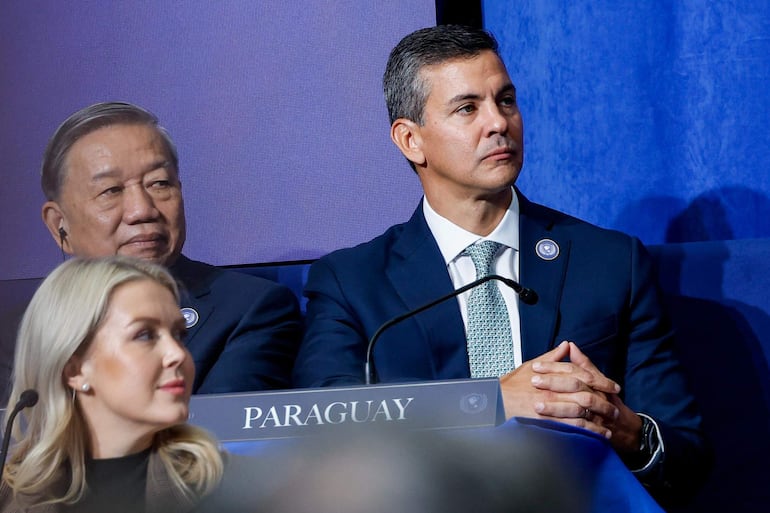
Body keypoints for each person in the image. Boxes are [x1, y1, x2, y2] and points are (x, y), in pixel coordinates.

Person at [292, 25, 710, 505]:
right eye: (467, 108)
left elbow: (687, 456)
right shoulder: (352, 283)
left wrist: (626, 428)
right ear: (410, 140)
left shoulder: (611, 263)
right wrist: (484, 405)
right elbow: (322, 434)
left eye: (506, 101)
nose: (498, 123)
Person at [37, 101, 302, 394]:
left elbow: (219, 422)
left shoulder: (249, 309)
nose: (142, 210)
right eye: (111, 190)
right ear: (59, 225)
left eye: (159, 183)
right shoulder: (22, 333)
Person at [0, 256, 262, 512]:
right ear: (75, 370)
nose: (178, 354)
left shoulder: (246, 490)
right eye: (145, 335)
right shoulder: (11, 499)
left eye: (179, 335)